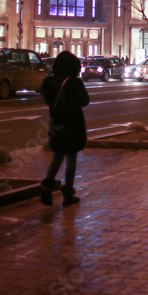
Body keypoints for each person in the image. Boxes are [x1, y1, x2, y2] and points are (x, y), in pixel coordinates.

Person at [40, 51, 90, 206]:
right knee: (71, 158)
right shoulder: (74, 83)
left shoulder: (48, 82)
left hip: (56, 124)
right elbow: (85, 101)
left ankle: (46, 187)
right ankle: (68, 193)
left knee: (57, 156)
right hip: (72, 125)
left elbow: (49, 101)